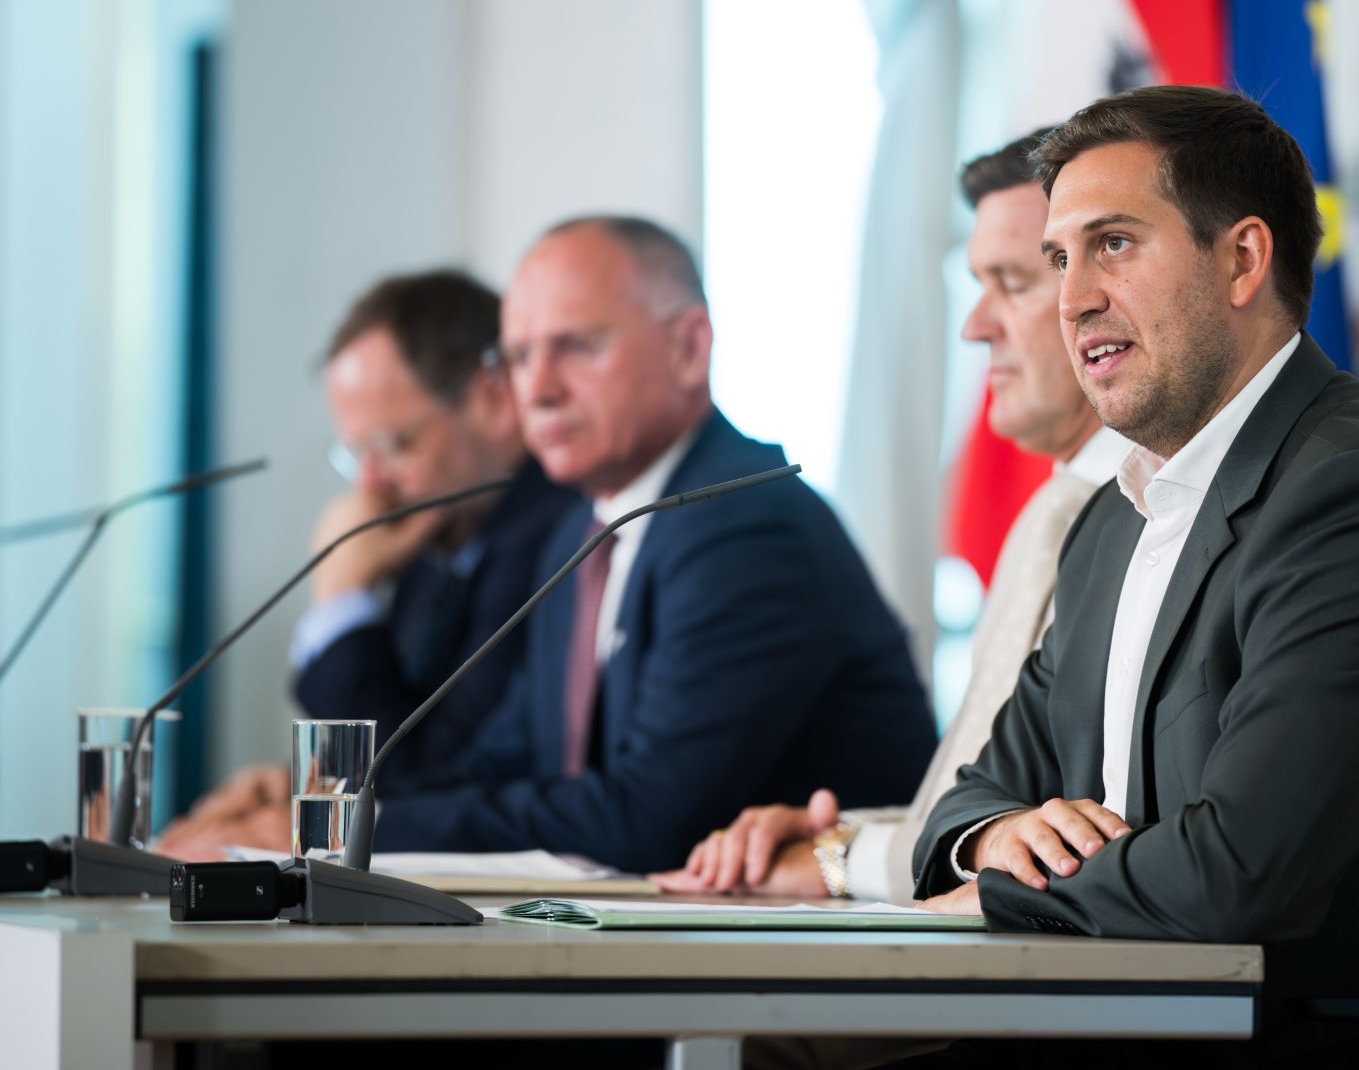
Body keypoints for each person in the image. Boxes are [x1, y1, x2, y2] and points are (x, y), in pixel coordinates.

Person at [908, 87, 1359, 1069]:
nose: (1073, 296)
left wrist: (1004, 890)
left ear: (1242, 259)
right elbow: (970, 801)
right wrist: (996, 840)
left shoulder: (1352, 499)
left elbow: (1234, 878)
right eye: (1058, 257)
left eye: (1113, 243)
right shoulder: (1113, 516)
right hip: (1114, 1026)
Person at [366, 216, 938, 873]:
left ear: (689, 348)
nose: (541, 389)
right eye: (520, 356)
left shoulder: (743, 520)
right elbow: (505, 760)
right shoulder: (577, 534)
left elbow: (652, 817)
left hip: (823, 954)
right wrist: (343, 805)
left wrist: (374, 824)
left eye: (577, 346)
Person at [655, 131, 1132, 904]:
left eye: (1012, 283)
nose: (975, 327)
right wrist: (834, 839)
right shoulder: (1053, 510)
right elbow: (980, 813)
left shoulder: (1153, 517)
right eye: (977, 284)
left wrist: (840, 859)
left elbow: (1076, 834)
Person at [158, 271, 574, 853]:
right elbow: (407, 750)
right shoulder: (434, 541)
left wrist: (340, 598)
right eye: (356, 453)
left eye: (395, 445)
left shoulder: (560, 534)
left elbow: (425, 778)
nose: (371, 483)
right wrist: (293, 785)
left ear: (494, 399)